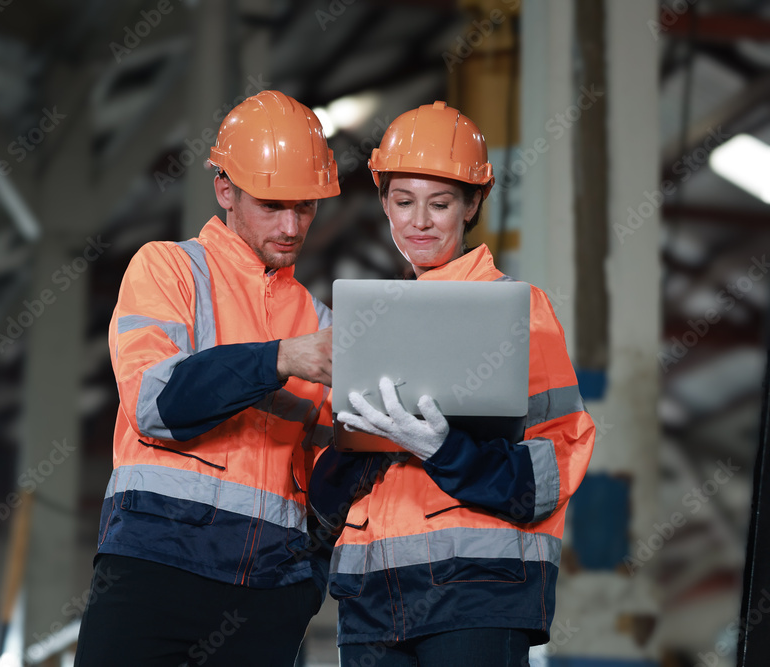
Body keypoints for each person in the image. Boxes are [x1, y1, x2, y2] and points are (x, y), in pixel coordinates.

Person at [309, 101, 596, 666]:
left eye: (439, 204)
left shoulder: (520, 313)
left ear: (473, 204)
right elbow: (325, 506)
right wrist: (359, 446)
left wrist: (444, 450)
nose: (419, 222)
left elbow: (548, 476)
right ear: (384, 204)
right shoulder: (368, 326)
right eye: (402, 202)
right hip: (371, 603)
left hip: (476, 597)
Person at [73, 90, 339, 667]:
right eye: (273, 205)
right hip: (153, 574)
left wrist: (305, 581)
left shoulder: (321, 322)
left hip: (267, 597)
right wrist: (279, 360)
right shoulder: (168, 269)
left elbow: (333, 476)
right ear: (225, 189)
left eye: (306, 207)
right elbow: (155, 404)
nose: (292, 226)